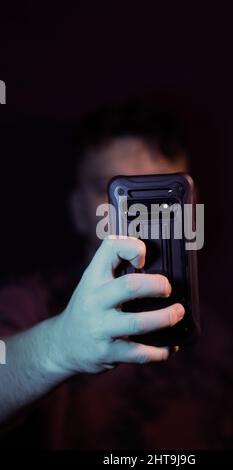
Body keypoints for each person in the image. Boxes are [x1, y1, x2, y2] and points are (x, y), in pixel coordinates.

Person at [0, 100, 189, 447]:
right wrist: (57, 346)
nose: (137, 210)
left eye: (157, 187)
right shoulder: (28, 303)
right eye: (115, 189)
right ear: (77, 210)